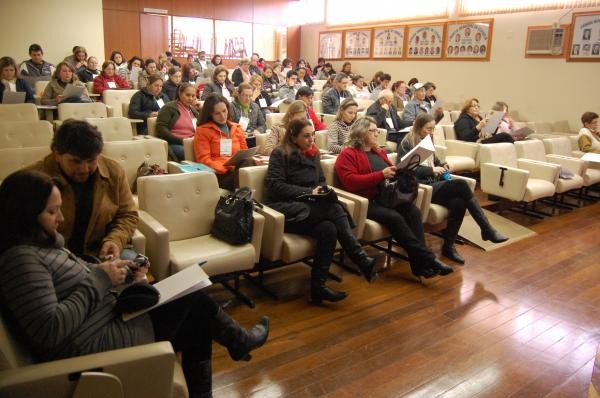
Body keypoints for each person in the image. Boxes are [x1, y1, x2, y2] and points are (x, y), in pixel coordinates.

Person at [0, 169, 269, 398]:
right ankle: (239, 341)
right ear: (25, 215)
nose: (60, 218)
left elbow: (76, 281)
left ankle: (236, 345)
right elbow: (50, 330)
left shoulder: (40, 246)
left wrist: (118, 273)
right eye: (52, 211)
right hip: (92, 348)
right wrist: (100, 278)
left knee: (194, 312)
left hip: (104, 321)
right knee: (193, 301)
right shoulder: (20, 260)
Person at [265, 119, 385, 303]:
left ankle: (318, 288)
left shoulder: (313, 153)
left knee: (329, 229)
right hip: (286, 210)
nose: (311, 139)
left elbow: (320, 180)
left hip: (311, 207)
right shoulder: (280, 153)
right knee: (334, 209)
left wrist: (321, 191)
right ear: (293, 136)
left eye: (313, 135)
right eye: (306, 136)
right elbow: (275, 186)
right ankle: (359, 257)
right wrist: (308, 192)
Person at [334, 117, 453, 278]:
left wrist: (404, 170)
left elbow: (390, 174)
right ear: (361, 132)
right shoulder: (348, 154)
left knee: (413, 212)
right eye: (373, 130)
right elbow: (350, 182)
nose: (377, 134)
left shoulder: (378, 151)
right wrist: (380, 175)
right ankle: (428, 259)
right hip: (364, 201)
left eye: (377, 130)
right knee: (395, 217)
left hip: (385, 196)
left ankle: (418, 265)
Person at [399, 114, 508, 264]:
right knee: (461, 185)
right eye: (428, 129)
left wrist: (443, 165)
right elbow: (405, 170)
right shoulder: (407, 142)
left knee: (459, 203)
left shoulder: (427, 140)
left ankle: (449, 247)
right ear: (418, 127)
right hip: (420, 186)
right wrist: (431, 171)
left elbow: (434, 160)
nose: (431, 132)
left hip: (433, 183)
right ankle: (487, 228)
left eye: (433, 129)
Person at [25, 120, 136, 258]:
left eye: (91, 161)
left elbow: (127, 215)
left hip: (100, 249)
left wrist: (115, 240)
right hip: (51, 253)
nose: (84, 169)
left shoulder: (114, 172)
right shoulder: (32, 180)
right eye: (76, 161)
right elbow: (19, 229)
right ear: (57, 155)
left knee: (136, 276)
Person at [195, 93, 254, 190]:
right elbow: (203, 160)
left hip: (238, 170)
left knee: (249, 162)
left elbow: (245, 152)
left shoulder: (237, 128)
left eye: (224, 111)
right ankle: (243, 199)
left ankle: (244, 198)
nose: (222, 116)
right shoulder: (203, 130)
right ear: (210, 114)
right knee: (246, 170)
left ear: (228, 109)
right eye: (217, 113)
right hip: (219, 174)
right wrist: (227, 167)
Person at [156, 83, 199, 161]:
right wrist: (181, 140)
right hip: (175, 143)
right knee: (192, 153)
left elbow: (201, 127)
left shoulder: (193, 111)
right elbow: (161, 129)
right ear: (180, 94)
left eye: (193, 96)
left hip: (193, 142)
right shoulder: (169, 107)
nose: (190, 98)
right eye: (188, 95)